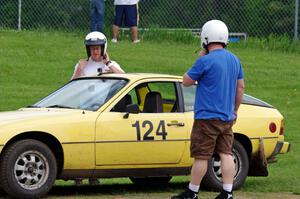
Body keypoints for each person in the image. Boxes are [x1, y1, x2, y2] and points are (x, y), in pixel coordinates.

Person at [171, 20, 245, 199]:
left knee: (202, 156)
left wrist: (199, 58)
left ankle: (193, 191)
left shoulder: (205, 60)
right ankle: (227, 191)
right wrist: (235, 110)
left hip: (206, 117)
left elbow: (186, 81)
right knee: (226, 153)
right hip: (226, 117)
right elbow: (240, 87)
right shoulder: (234, 60)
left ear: (205, 38)